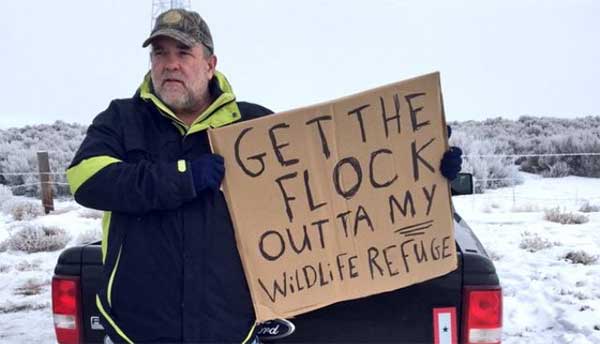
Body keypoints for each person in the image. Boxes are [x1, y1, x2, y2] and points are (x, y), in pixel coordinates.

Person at [67, 8, 462, 344]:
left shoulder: (255, 127)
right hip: (136, 329)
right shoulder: (122, 119)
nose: (170, 63)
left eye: (183, 52)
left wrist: (426, 167)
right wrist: (182, 177)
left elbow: (335, 184)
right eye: (160, 53)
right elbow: (86, 179)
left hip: (230, 328)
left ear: (210, 64)